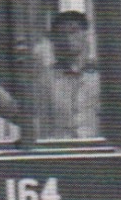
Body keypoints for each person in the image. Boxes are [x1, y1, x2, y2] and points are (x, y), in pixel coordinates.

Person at [40, 10, 101, 139]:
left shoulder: (100, 77)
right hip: (60, 150)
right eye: (62, 33)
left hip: (96, 150)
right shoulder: (45, 79)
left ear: (86, 35)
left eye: (74, 31)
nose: (68, 38)